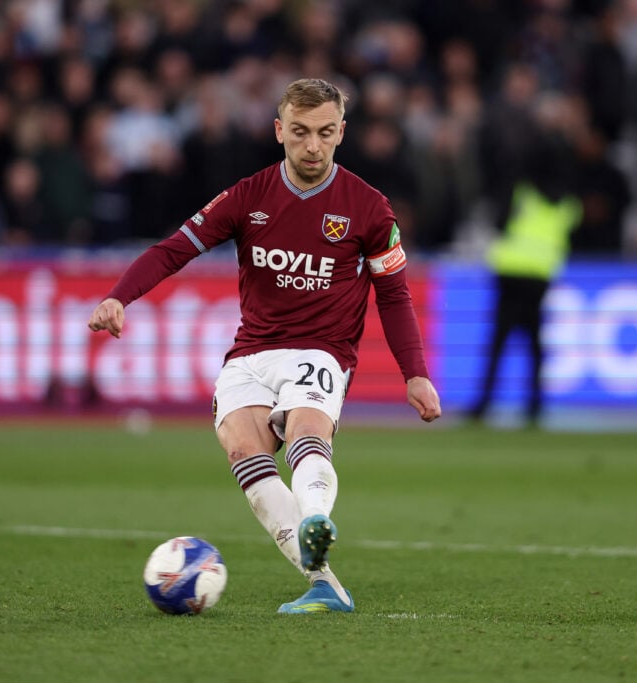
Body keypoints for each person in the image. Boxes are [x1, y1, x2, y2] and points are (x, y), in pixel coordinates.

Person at [87, 78, 442, 614]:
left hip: (321, 352)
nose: (312, 146)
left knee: (304, 428)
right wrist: (120, 298)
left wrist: (413, 372)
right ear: (280, 131)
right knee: (243, 450)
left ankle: (316, 516)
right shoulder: (247, 197)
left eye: (325, 133)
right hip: (251, 354)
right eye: (300, 132)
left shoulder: (369, 209)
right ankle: (323, 582)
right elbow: (173, 250)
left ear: (341, 133)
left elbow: (393, 295)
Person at [465, 132, 580, 428]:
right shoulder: (567, 201)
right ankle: (535, 406)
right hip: (540, 275)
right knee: (534, 344)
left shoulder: (521, 191)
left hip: (510, 271)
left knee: (499, 342)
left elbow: (499, 222)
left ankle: (483, 405)